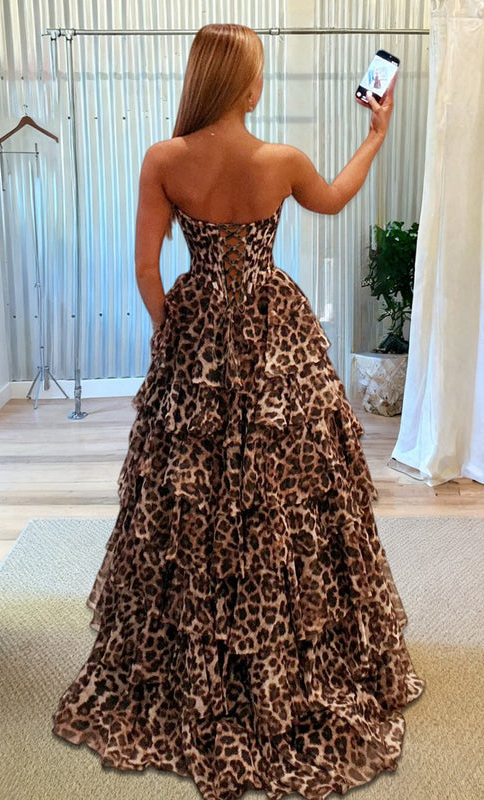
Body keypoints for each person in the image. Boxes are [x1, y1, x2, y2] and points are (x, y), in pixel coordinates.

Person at [52, 23, 424, 800]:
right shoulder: (279, 162)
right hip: (273, 331)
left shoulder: (163, 159)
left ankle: (192, 656)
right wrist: (374, 135)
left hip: (197, 335)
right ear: (244, 84)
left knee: (187, 493)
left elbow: (146, 267)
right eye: (257, 72)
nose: (260, 83)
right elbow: (333, 197)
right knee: (289, 486)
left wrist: (175, 337)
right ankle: (287, 649)